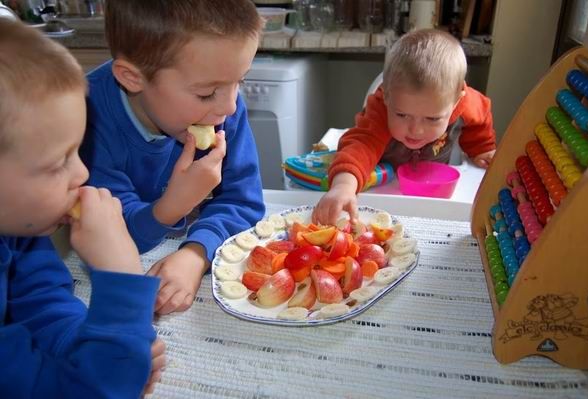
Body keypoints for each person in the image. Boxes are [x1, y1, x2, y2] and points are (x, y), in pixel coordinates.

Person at [0, 19, 165, 397]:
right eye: (59, 161)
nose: (84, 172)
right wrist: (122, 276)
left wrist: (103, 346)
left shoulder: (16, 229)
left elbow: (39, 299)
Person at [81, 0, 266, 315]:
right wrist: (171, 208)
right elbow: (107, 238)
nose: (230, 107)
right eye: (206, 93)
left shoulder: (220, 102)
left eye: (240, 82)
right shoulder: (87, 118)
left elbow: (244, 200)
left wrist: (196, 253)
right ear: (132, 77)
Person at [312, 29, 497, 225]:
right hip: (386, 190)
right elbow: (362, 145)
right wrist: (343, 186)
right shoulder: (381, 111)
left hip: (431, 193)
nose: (416, 130)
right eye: (401, 115)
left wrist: (482, 148)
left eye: (432, 119)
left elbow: (481, 117)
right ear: (387, 96)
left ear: (457, 99)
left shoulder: (467, 102)